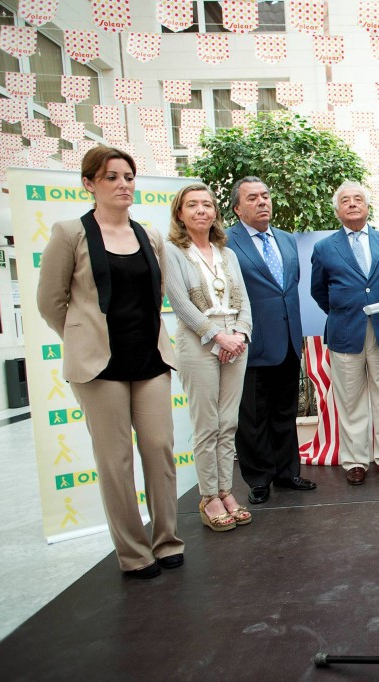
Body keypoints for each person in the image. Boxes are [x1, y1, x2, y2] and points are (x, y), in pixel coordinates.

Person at [37, 145, 183, 579]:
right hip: (100, 367)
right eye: (112, 177)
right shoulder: (70, 234)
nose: (124, 185)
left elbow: (154, 296)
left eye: (128, 177)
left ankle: (166, 539)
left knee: (158, 449)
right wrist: (82, 338)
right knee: (115, 461)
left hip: (149, 358)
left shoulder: (149, 235)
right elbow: (50, 302)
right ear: (89, 184)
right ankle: (134, 553)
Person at [164, 183, 253, 532]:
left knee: (228, 423)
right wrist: (218, 337)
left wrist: (241, 335)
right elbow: (179, 302)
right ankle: (208, 497)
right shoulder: (172, 251)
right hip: (199, 343)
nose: (201, 210)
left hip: (236, 341)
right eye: (192, 205)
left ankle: (226, 491)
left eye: (207, 204)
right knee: (207, 425)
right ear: (180, 213)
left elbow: (244, 299)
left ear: (216, 212)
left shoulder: (226, 253)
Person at [310, 181, 379, 485]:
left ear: (367, 207)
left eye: (358, 199)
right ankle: (355, 461)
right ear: (337, 210)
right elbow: (318, 291)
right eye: (345, 200)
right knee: (350, 399)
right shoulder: (324, 248)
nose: (352, 204)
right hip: (344, 331)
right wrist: (345, 310)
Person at [225, 177, 316, 505]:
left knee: (284, 411)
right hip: (250, 341)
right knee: (252, 416)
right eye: (253, 198)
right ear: (238, 207)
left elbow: (290, 286)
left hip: (289, 339)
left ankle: (288, 472)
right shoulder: (226, 242)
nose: (263, 202)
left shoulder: (287, 240)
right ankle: (259, 478)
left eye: (265, 195)